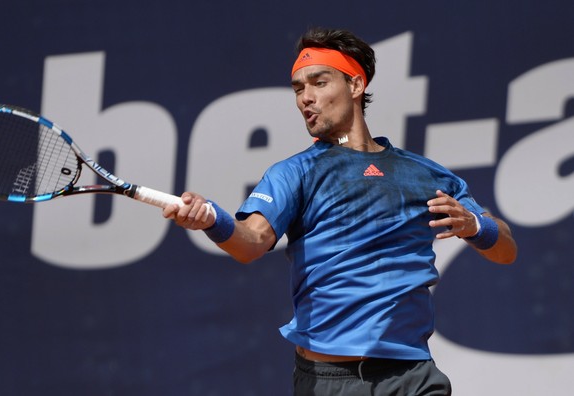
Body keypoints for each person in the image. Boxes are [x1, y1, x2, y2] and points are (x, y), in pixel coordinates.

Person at [162, 27, 517, 396]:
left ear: (355, 85)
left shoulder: (426, 174)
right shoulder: (293, 173)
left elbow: (506, 250)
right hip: (330, 382)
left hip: (414, 376)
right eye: (299, 88)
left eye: (318, 82)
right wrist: (213, 220)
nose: (306, 98)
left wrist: (474, 224)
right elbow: (250, 243)